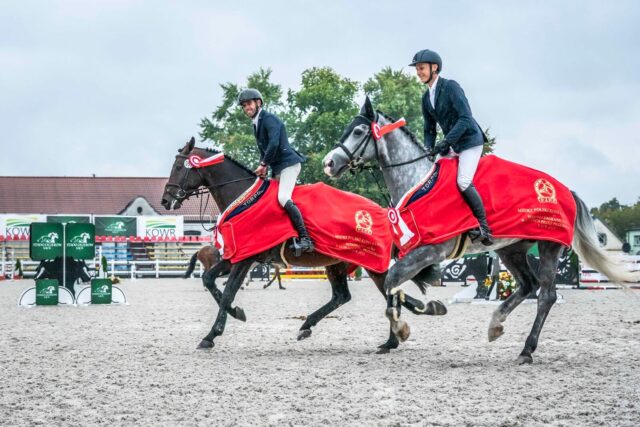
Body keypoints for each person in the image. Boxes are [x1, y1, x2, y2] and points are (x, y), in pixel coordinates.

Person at [410, 49, 494, 246]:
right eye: (417, 69)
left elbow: (466, 118)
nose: (418, 72)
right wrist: (428, 150)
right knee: (434, 178)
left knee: (463, 181)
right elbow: (429, 128)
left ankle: (484, 227)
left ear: (434, 68)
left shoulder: (451, 87)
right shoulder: (426, 98)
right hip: (453, 143)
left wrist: (445, 143)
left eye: (421, 68)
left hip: (470, 141)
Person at [237, 88, 315, 255]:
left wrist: (264, 163)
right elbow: (265, 148)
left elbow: (273, 145)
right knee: (269, 199)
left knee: (283, 197)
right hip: (278, 167)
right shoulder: (257, 123)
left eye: (249, 104)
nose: (246, 108)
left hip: (289, 164)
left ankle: (305, 239)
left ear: (258, 103)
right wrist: (263, 166)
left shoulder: (269, 119)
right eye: (244, 106)